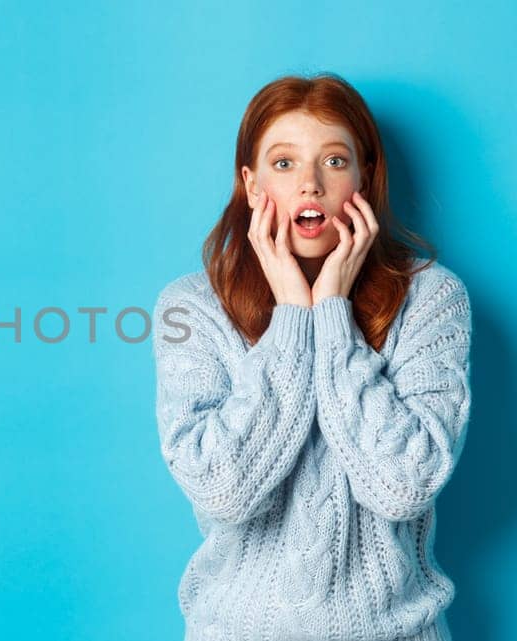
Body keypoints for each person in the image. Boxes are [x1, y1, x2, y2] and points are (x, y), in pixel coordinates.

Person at [152, 73, 473, 641]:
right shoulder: (190, 308)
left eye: (332, 161)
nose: (309, 185)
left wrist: (331, 313)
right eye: (283, 164)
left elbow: (404, 486)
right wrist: (293, 321)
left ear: (365, 177)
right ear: (251, 185)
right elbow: (223, 491)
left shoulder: (431, 298)